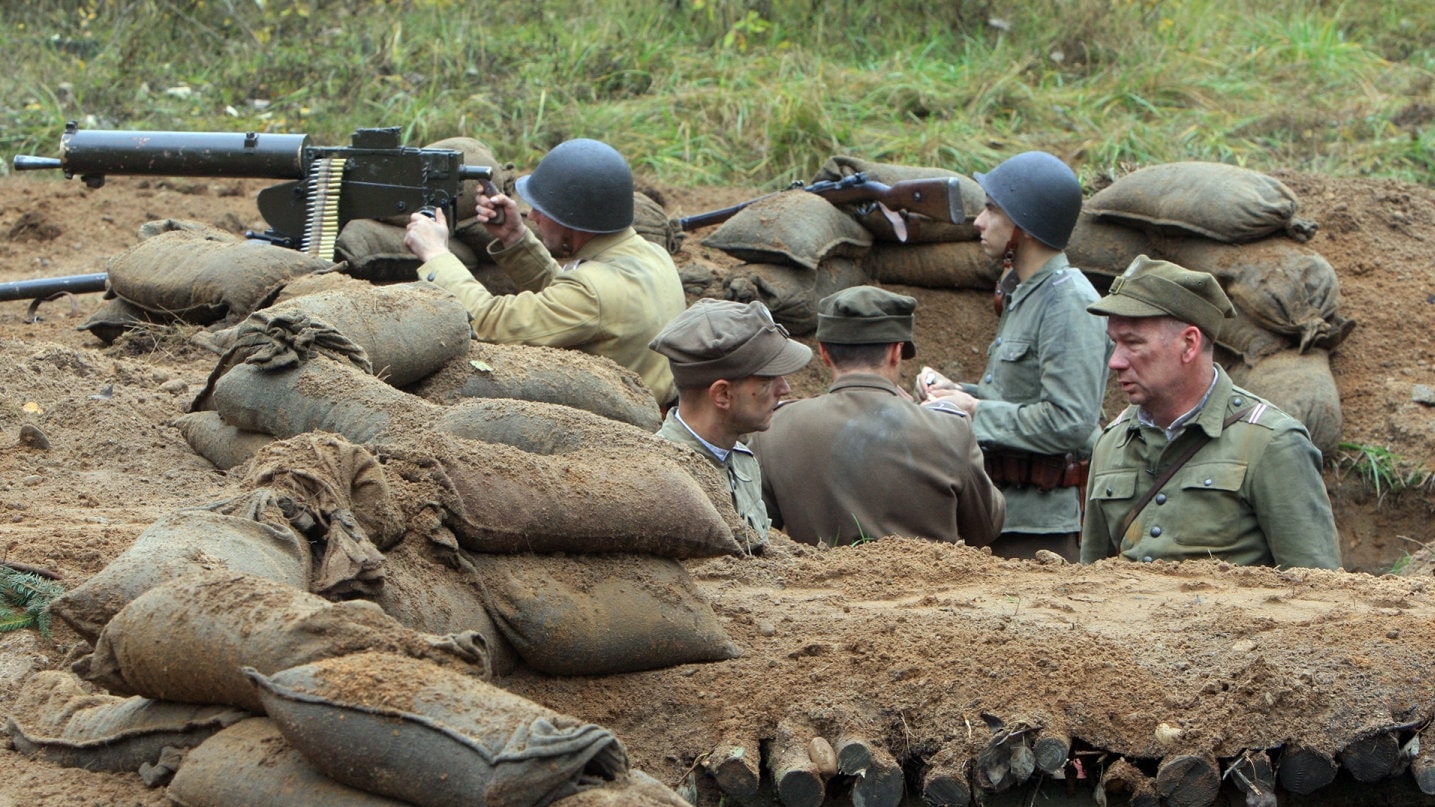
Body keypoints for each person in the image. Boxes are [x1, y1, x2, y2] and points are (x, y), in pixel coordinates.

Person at [1080, 255, 1342, 569]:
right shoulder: (1111, 443)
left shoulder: (1272, 443)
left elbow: (1318, 590)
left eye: (1133, 343)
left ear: (1189, 344)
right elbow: (1089, 583)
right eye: (1115, 343)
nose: (1116, 361)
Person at [918, 151, 1111, 561]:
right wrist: (958, 392)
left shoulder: (1068, 302)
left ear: (1024, 224)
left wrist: (973, 412)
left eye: (992, 209)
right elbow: (1021, 396)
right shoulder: (1025, 293)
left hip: (1045, 530)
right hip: (1006, 514)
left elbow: (1071, 422)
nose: (979, 222)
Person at [405, 138, 687, 406]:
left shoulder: (591, 294)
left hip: (618, 429)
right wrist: (516, 240)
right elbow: (568, 296)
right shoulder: (652, 254)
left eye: (543, 209)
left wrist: (436, 255)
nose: (532, 217)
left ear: (571, 219)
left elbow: (490, 322)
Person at [746, 286, 1005, 548]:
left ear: (823, 352)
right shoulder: (950, 428)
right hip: (929, 587)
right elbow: (986, 527)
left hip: (820, 587)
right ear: (896, 351)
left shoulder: (774, 428)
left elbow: (754, 530)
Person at [649, 298, 813, 549]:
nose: (785, 388)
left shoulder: (742, 461)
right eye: (768, 379)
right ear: (722, 395)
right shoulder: (665, 482)